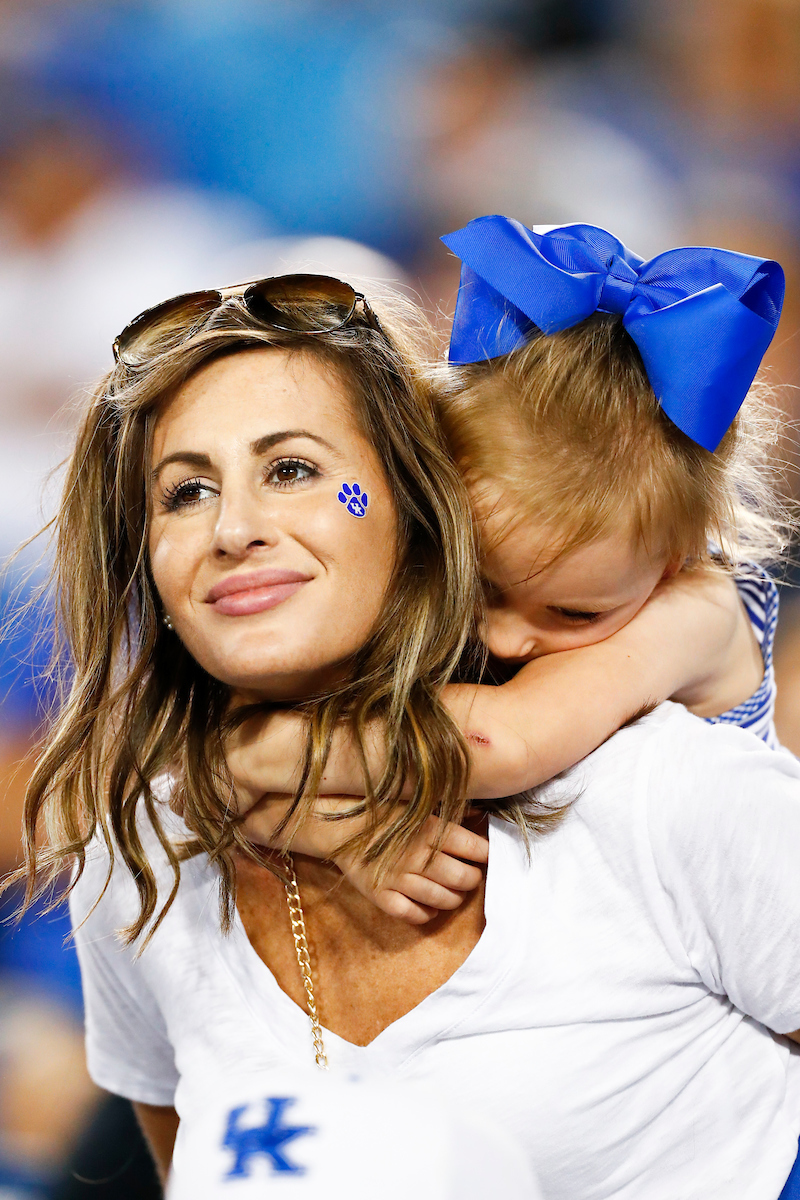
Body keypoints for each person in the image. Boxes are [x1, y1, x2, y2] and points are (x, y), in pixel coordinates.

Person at [17, 273, 800, 1198]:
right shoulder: (138, 848)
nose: (232, 528)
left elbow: (504, 741)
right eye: (184, 492)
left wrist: (267, 764)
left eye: (293, 469)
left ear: (416, 502)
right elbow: (180, 1144)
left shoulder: (665, 788)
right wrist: (221, 780)